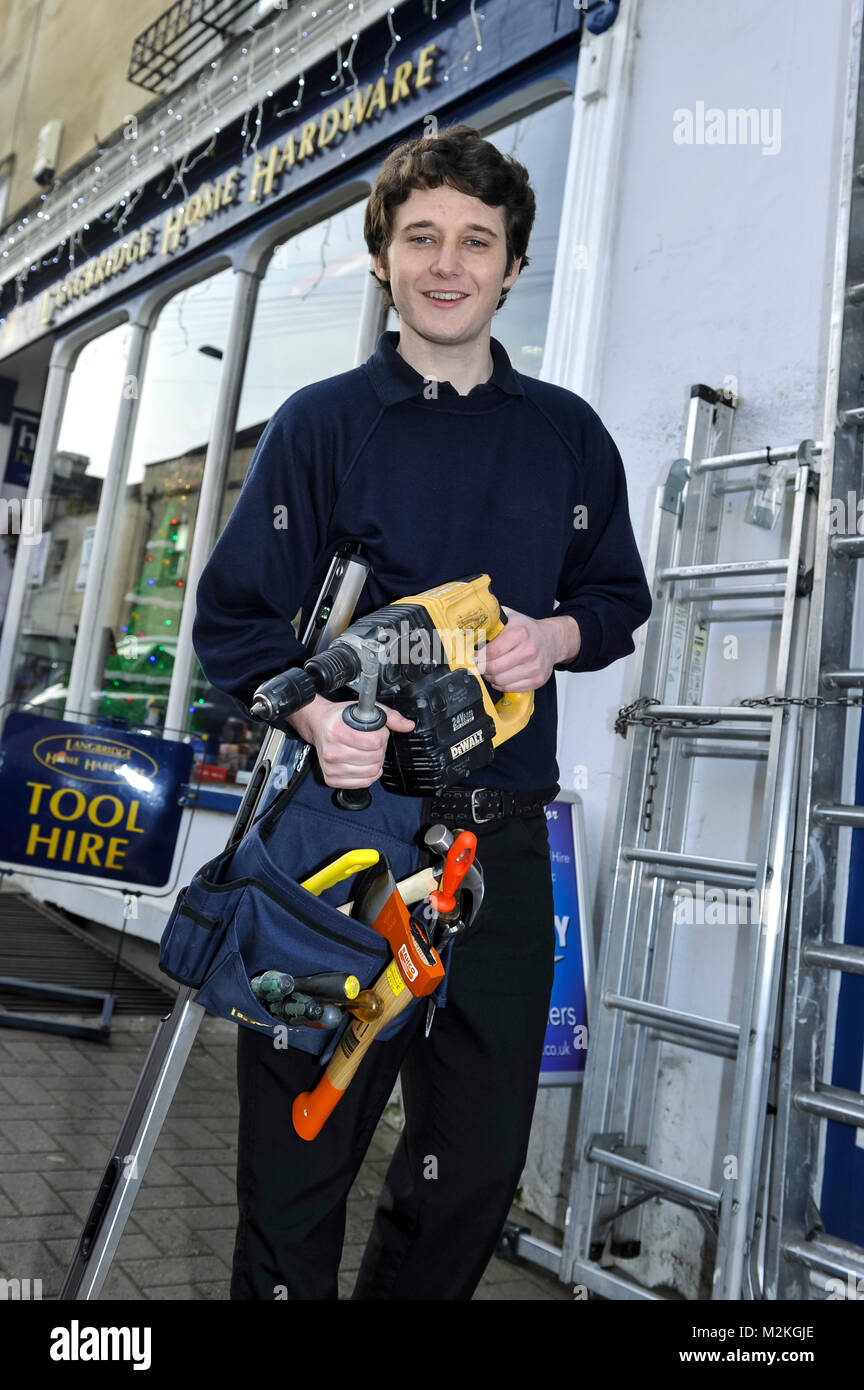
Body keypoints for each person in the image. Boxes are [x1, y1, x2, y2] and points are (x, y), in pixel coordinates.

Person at [192, 124, 652, 1300]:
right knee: (307, 1140)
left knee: (474, 1167)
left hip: (497, 841)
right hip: (344, 837)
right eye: (421, 238)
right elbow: (236, 621)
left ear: (511, 266)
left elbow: (617, 600)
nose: (448, 264)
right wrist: (309, 723)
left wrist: (555, 636)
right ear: (385, 258)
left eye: (476, 242)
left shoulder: (568, 436)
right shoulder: (323, 424)